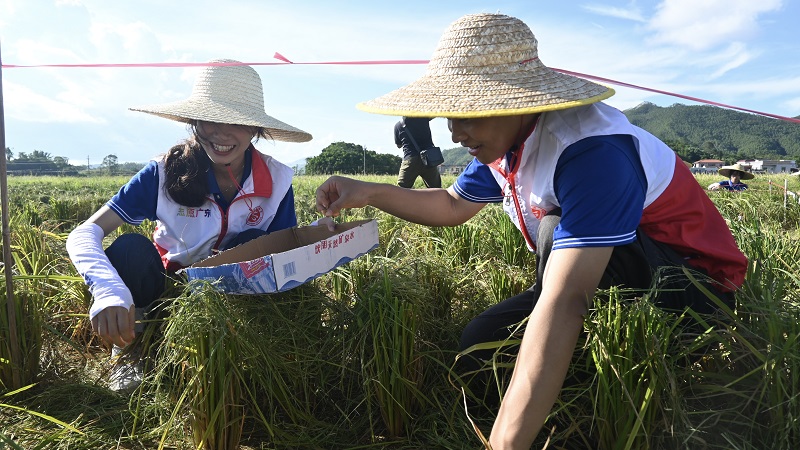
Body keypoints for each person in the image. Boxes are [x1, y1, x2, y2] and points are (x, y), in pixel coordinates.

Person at [315, 14, 748, 449]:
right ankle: (562, 388)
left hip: (692, 290)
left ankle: (598, 396)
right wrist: (368, 191)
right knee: (479, 349)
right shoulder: (505, 143)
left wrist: (505, 443)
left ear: (515, 101)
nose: (455, 130)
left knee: (553, 233)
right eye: (450, 114)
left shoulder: (591, 152)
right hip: (605, 278)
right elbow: (451, 205)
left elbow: (565, 301)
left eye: (470, 113)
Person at [66, 59, 328, 393]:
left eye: (236, 121)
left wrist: (321, 237)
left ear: (255, 129)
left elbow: (284, 250)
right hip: (163, 288)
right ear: (194, 122)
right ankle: (132, 349)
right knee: (129, 250)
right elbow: (84, 233)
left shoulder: (277, 181)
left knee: (251, 241)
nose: (221, 133)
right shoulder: (163, 172)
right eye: (210, 118)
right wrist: (106, 287)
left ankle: (238, 347)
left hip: (230, 296)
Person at [395, 116, 442, 188]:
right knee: (436, 188)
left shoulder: (398, 125)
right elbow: (434, 114)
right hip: (429, 158)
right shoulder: (423, 118)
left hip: (411, 158)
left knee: (402, 189)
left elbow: (399, 145)